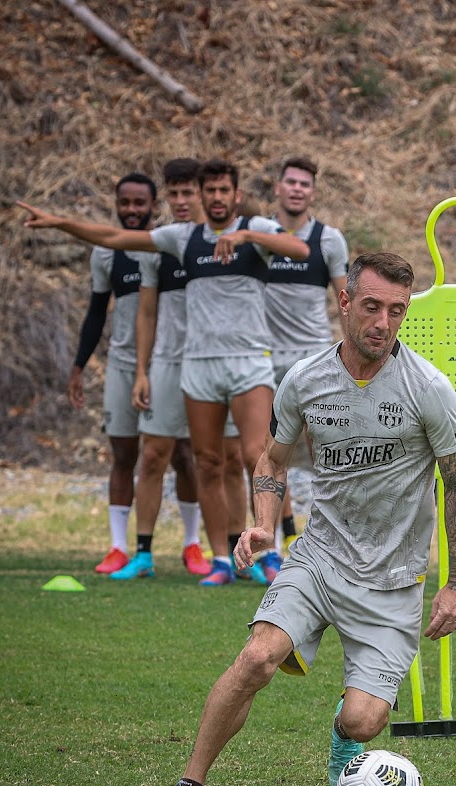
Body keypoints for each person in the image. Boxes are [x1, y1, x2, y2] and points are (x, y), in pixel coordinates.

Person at [145, 252, 456, 786]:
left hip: (393, 582)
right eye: (371, 306)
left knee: (365, 721)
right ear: (344, 303)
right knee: (257, 657)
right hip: (318, 560)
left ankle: (343, 739)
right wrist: (264, 523)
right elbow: (271, 459)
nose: (383, 322)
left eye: (397, 311)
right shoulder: (304, 380)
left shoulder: (429, 388)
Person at [18, 159, 310, 587]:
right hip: (197, 365)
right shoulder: (183, 237)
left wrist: (247, 235)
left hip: (249, 362)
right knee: (207, 462)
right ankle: (222, 560)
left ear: (235, 193)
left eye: (222, 190)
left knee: (257, 456)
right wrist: (61, 222)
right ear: (201, 193)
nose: (215, 197)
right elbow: (117, 236)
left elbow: (301, 250)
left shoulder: (258, 229)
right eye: (208, 189)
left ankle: (269, 552)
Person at [116, 158, 249, 580]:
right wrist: (142, 370)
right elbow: (147, 313)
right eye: (172, 193)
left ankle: (222, 552)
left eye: (187, 192)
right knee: (154, 455)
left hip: (214, 362)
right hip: (169, 364)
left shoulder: (223, 239)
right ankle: (142, 553)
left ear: (205, 194)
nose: (180, 200)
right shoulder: (162, 245)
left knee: (223, 460)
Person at [64, 172, 199, 574]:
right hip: (124, 365)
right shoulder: (105, 253)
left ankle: (192, 545)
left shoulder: (166, 246)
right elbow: (94, 312)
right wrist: (79, 365)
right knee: (123, 455)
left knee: (184, 455)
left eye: (141, 203)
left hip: (168, 362)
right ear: (117, 205)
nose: (133, 210)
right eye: (126, 203)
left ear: (153, 205)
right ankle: (119, 547)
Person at [263, 155, 350, 554]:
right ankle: (281, 537)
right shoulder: (261, 235)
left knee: (324, 448)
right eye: (291, 182)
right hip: (264, 358)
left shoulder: (328, 239)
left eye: (305, 184)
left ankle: (327, 536)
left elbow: (347, 300)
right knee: (268, 451)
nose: (297, 189)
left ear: (313, 192)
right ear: (277, 187)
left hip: (313, 356)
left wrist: (354, 357)